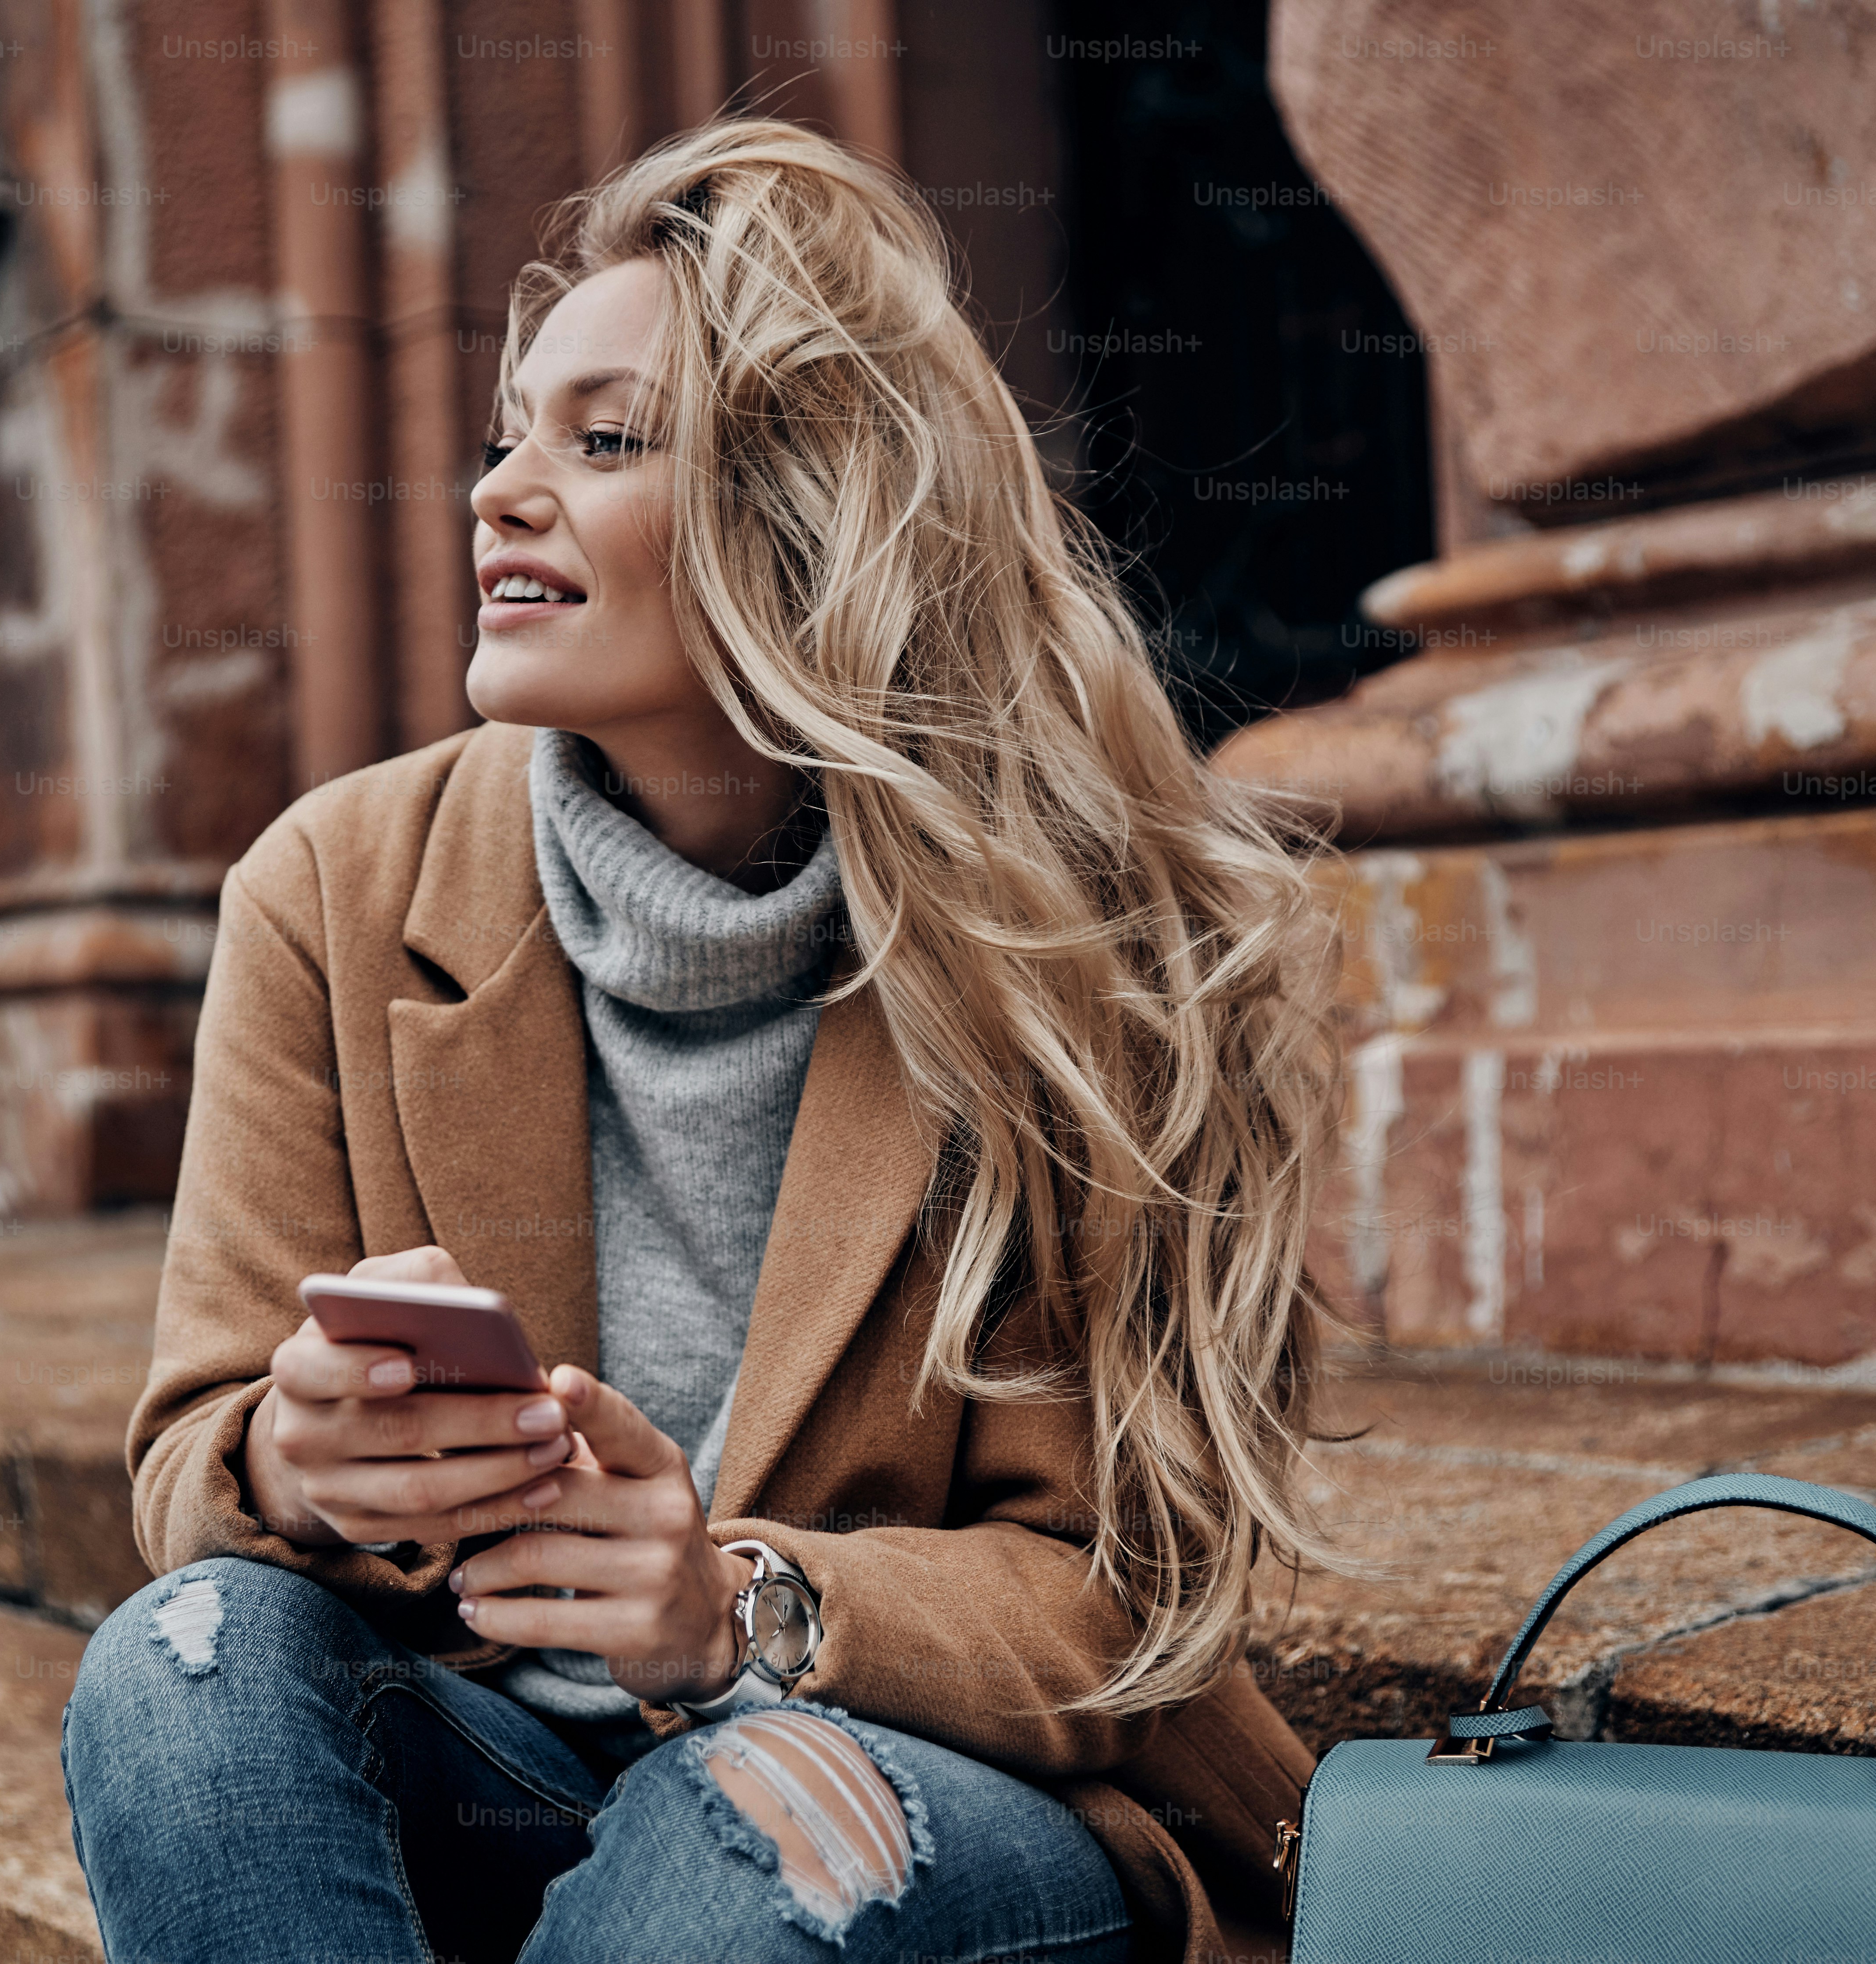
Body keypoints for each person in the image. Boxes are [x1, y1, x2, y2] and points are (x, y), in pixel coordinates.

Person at [65, 116, 1350, 1964]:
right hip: (498, 1747)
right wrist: (287, 1465)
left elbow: (1134, 1600)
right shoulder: (330, 894)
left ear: (809, 506)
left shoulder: (1084, 948)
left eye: (605, 441)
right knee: (175, 1667)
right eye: (511, 430)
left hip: (925, 1787)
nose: (503, 488)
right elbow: (191, 1451)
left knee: (747, 1819)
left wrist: (744, 1608)